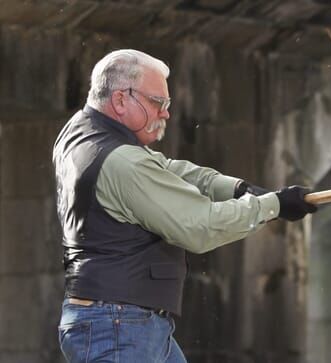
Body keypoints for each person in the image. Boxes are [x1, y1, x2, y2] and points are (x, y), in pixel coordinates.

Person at [53, 49, 317, 363]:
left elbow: (162, 167)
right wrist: (271, 205)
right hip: (120, 327)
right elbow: (199, 227)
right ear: (121, 99)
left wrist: (234, 187)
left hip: (125, 322)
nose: (165, 114)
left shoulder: (81, 130)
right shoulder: (122, 162)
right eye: (158, 103)